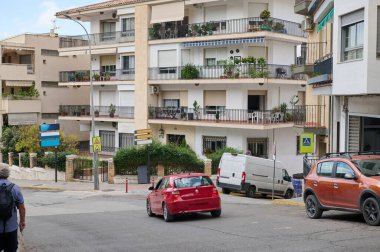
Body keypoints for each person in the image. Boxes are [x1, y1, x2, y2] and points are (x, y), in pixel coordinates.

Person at [0, 163, 26, 252]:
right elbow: (22, 207)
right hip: (11, 228)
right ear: (8, 174)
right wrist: (22, 222)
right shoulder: (15, 188)